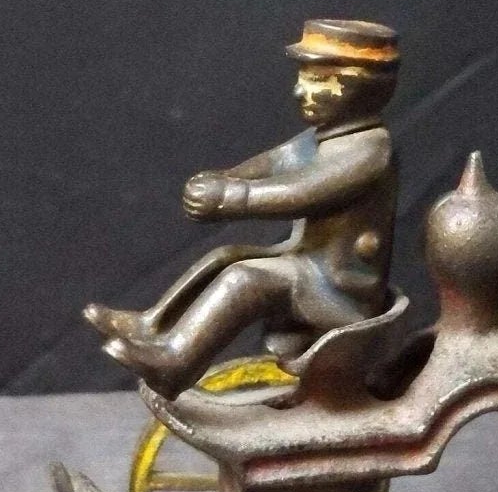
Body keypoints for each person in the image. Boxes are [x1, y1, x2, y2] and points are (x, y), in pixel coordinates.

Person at [83, 20, 399, 396]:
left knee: (246, 280)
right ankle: (153, 325)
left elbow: (305, 191)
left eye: (319, 81)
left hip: (339, 293)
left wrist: (230, 197)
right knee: (226, 257)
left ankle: (175, 363)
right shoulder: (324, 139)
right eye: (303, 77)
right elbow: (275, 161)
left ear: (363, 88)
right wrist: (226, 177)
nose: (300, 90)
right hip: (309, 268)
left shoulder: (368, 151)